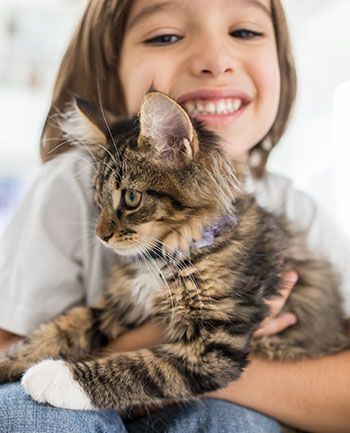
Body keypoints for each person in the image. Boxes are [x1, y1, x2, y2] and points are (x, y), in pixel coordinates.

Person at [1, 0, 350, 432]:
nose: (214, 61)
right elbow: (18, 360)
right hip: (116, 389)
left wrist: (204, 368)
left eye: (244, 32)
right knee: (24, 408)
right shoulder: (71, 182)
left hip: (250, 394)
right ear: (112, 68)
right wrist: (161, 347)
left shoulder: (296, 212)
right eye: (165, 36)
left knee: (217, 420)